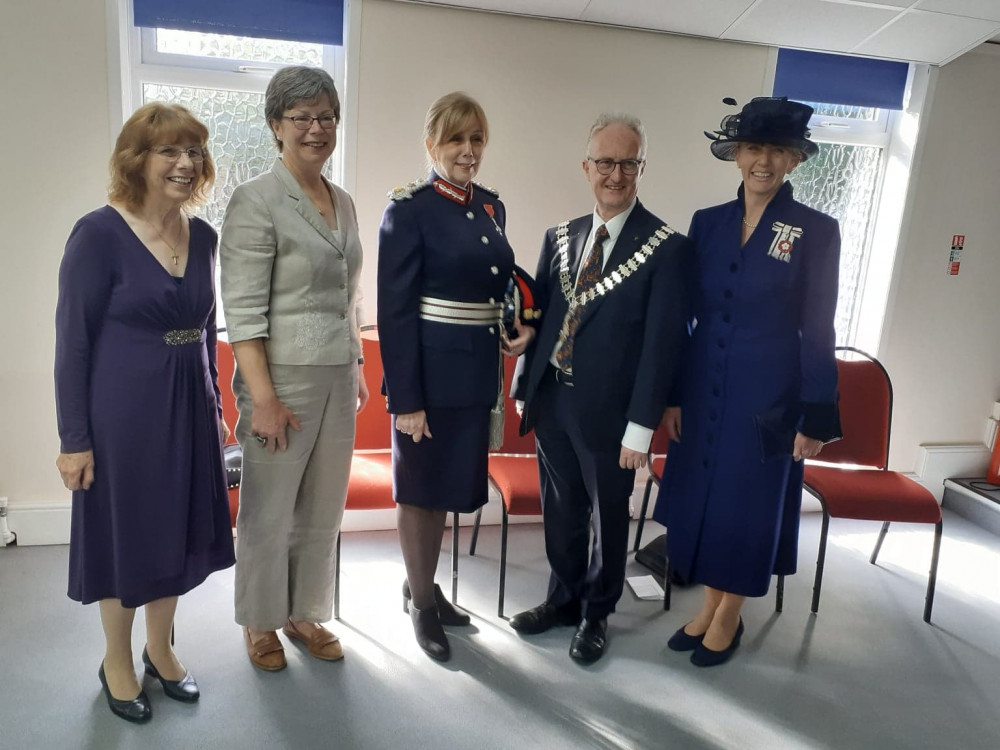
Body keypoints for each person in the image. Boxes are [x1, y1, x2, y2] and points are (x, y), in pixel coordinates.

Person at [54, 102, 235, 723]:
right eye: (170, 152)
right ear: (138, 160)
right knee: (125, 533)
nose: (186, 164)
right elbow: (72, 343)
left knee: (177, 529)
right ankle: (117, 659)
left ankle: (160, 649)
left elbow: (207, 330)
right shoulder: (98, 234)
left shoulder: (204, 237)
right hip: (122, 413)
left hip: (190, 404)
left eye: (193, 153)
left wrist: (215, 402)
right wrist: (74, 438)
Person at [654, 97, 841, 667]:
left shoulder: (815, 230)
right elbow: (688, 317)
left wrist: (815, 414)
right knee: (706, 502)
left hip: (768, 400)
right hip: (705, 387)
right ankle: (710, 606)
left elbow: (818, 326)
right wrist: (674, 395)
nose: (763, 161)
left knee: (745, 507)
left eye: (777, 151)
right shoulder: (707, 224)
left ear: (793, 160)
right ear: (737, 154)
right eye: (754, 148)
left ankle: (730, 614)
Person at [509, 113, 693, 664]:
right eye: (605, 162)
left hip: (614, 416)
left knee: (608, 519)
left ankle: (596, 612)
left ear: (641, 167)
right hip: (554, 401)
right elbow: (542, 317)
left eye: (628, 163)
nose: (616, 174)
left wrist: (642, 428)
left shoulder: (667, 247)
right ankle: (563, 599)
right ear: (586, 167)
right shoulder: (559, 237)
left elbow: (663, 347)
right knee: (561, 510)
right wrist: (522, 357)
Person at [220, 66, 367, 671]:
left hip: (336, 374)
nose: (316, 128)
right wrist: (265, 398)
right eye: (302, 118)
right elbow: (244, 312)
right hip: (279, 380)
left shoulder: (346, 201)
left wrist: (355, 364)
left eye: (326, 117)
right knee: (269, 509)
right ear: (276, 126)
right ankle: (259, 621)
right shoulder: (255, 199)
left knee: (322, 506)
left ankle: (304, 611)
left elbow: (347, 295)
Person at [377, 92, 515, 662]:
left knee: (447, 491)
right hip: (428, 381)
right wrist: (406, 399)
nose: (467, 150)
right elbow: (396, 310)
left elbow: (495, 286)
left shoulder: (490, 207)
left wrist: (513, 323)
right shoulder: (407, 210)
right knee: (421, 494)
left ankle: (423, 583)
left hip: (475, 375)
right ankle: (423, 607)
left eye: (476, 139)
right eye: (455, 139)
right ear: (431, 144)